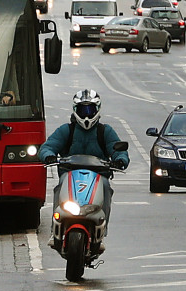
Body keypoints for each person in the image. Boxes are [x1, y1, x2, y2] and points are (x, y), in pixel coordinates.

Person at [39, 89, 130, 229]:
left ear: (97, 110)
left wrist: (120, 160)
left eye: (90, 110)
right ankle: (55, 227)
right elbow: (47, 147)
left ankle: (101, 227)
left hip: (99, 176)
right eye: (83, 110)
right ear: (75, 110)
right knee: (59, 187)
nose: (86, 115)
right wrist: (49, 156)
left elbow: (119, 150)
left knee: (106, 187)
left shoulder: (105, 131)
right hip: (69, 174)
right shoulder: (66, 130)